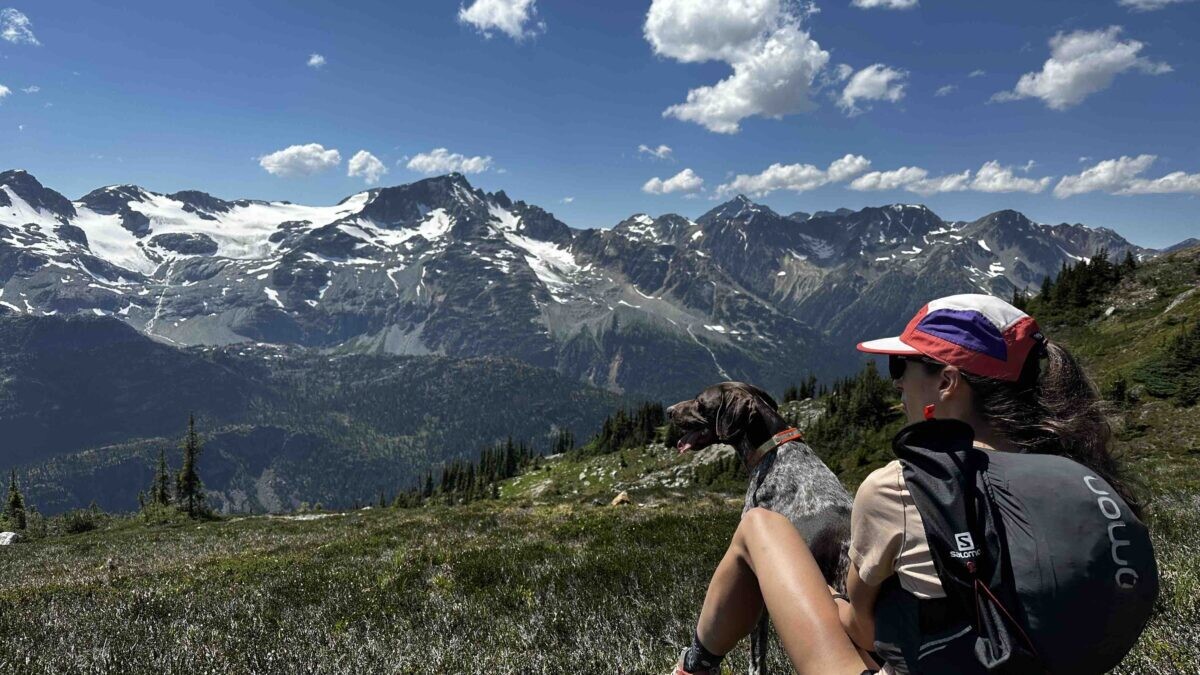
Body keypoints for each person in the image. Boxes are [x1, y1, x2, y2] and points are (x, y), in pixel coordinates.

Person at [672, 294, 1143, 675]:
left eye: (901, 367)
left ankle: (694, 667)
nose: (896, 384)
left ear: (947, 382)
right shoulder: (1088, 480)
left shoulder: (902, 485)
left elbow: (861, 630)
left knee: (760, 526)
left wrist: (827, 598)